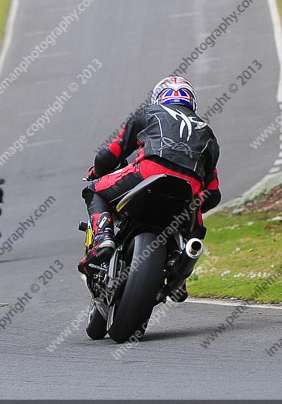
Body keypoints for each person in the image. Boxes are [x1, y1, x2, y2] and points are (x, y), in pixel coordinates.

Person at [79, 76, 221, 286]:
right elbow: (213, 194)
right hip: (188, 191)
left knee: (94, 190)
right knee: (195, 219)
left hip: (148, 172)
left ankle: (103, 237)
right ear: (191, 102)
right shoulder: (207, 134)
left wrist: (96, 171)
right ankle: (179, 268)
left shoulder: (147, 113)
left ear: (159, 98)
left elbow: (110, 153)